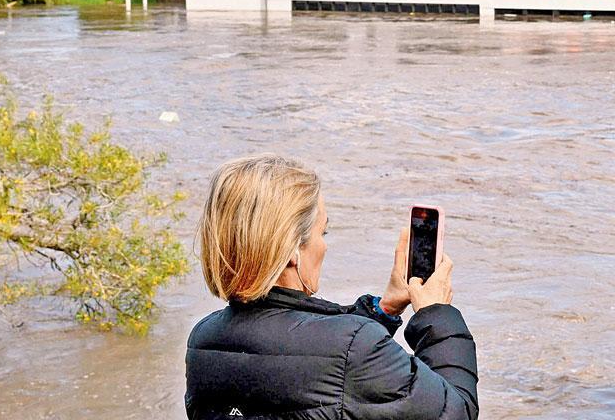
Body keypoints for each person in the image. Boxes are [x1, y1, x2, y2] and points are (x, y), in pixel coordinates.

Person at [185, 154, 479, 420]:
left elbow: (314, 364)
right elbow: (456, 410)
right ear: (291, 250)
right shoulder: (354, 347)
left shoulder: (204, 341)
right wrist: (436, 314)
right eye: (321, 232)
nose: (323, 245)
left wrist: (384, 309)